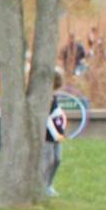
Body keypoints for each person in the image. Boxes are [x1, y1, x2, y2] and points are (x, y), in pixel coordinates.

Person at [45, 68, 68, 196]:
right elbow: (46, 118)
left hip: (58, 133)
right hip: (48, 134)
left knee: (57, 159)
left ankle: (49, 184)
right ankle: (43, 185)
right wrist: (55, 134)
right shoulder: (46, 98)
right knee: (48, 160)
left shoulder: (53, 96)